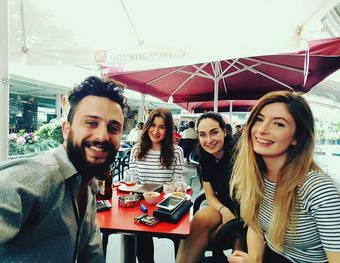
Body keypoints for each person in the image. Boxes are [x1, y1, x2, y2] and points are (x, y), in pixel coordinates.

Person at [0, 76, 128, 262]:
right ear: (66, 129)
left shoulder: (88, 189)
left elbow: (92, 256)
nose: (102, 136)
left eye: (113, 128)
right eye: (91, 123)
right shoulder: (35, 176)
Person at [228, 91, 340, 263]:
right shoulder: (256, 176)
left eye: (278, 124)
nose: (262, 130)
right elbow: (255, 227)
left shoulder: (317, 188)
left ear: (296, 137)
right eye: (259, 119)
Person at [176, 112, 245, 263]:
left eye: (214, 132)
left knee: (210, 238)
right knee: (200, 218)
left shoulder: (240, 154)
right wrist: (224, 211)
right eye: (202, 134)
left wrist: (237, 228)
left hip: (248, 216)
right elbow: (210, 195)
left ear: (224, 131)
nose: (208, 140)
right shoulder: (205, 157)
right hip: (224, 209)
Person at [129, 108, 184, 263]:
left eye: (162, 127)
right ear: (147, 126)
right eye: (153, 125)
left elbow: (176, 184)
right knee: (142, 236)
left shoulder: (177, 152)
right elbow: (134, 183)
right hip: (142, 206)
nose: (156, 131)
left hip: (167, 205)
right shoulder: (136, 150)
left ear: (168, 129)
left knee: (179, 236)